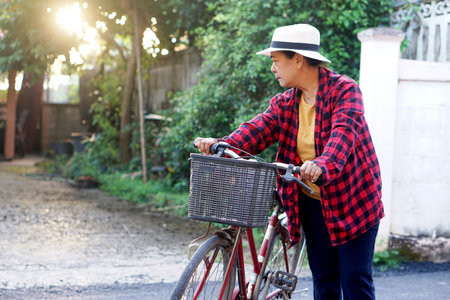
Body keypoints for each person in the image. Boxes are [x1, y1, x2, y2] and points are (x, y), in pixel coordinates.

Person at [194, 24, 383, 300]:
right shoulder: (286, 103)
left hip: (353, 200)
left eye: (275, 60)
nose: (273, 68)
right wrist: (221, 143)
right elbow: (258, 129)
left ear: (297, 59)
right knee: (325, 279)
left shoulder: (344, 90)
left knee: (355, 280)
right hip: (312, 200)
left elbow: (343, 133)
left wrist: (323, 164)